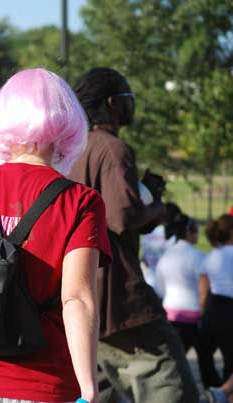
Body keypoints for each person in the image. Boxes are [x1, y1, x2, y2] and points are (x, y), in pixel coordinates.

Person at [0, 68, 112, 403]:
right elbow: (77, 299)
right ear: (67, 122)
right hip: (45, 385)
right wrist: (89, 388)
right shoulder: (80, 202)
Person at [69, 67, 199, 403]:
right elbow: (123, 218)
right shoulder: (113, 149)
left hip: (84, 301)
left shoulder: (72, 151)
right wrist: (157, 208)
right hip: (122, 301)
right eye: (129, 96)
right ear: (113, 103)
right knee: (173, 387)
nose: (133, 103)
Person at [154, 213, 220, 388]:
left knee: (174, 363)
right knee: (206, 361)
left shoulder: (165, 256)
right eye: (195, 230)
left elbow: (160, 288)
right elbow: (207, 288)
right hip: (196, 317)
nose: (197, 234)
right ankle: (213, 391)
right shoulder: (199, 257)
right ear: (189, 231)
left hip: (172, 316)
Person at [202, 214, 233, 389]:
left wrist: (202, 314)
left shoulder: (211, 256)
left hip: (213, 307)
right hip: (230, 307)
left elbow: (203, 290)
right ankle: (225, 392)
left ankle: (213, 387)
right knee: (230, 359)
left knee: (207, 353)